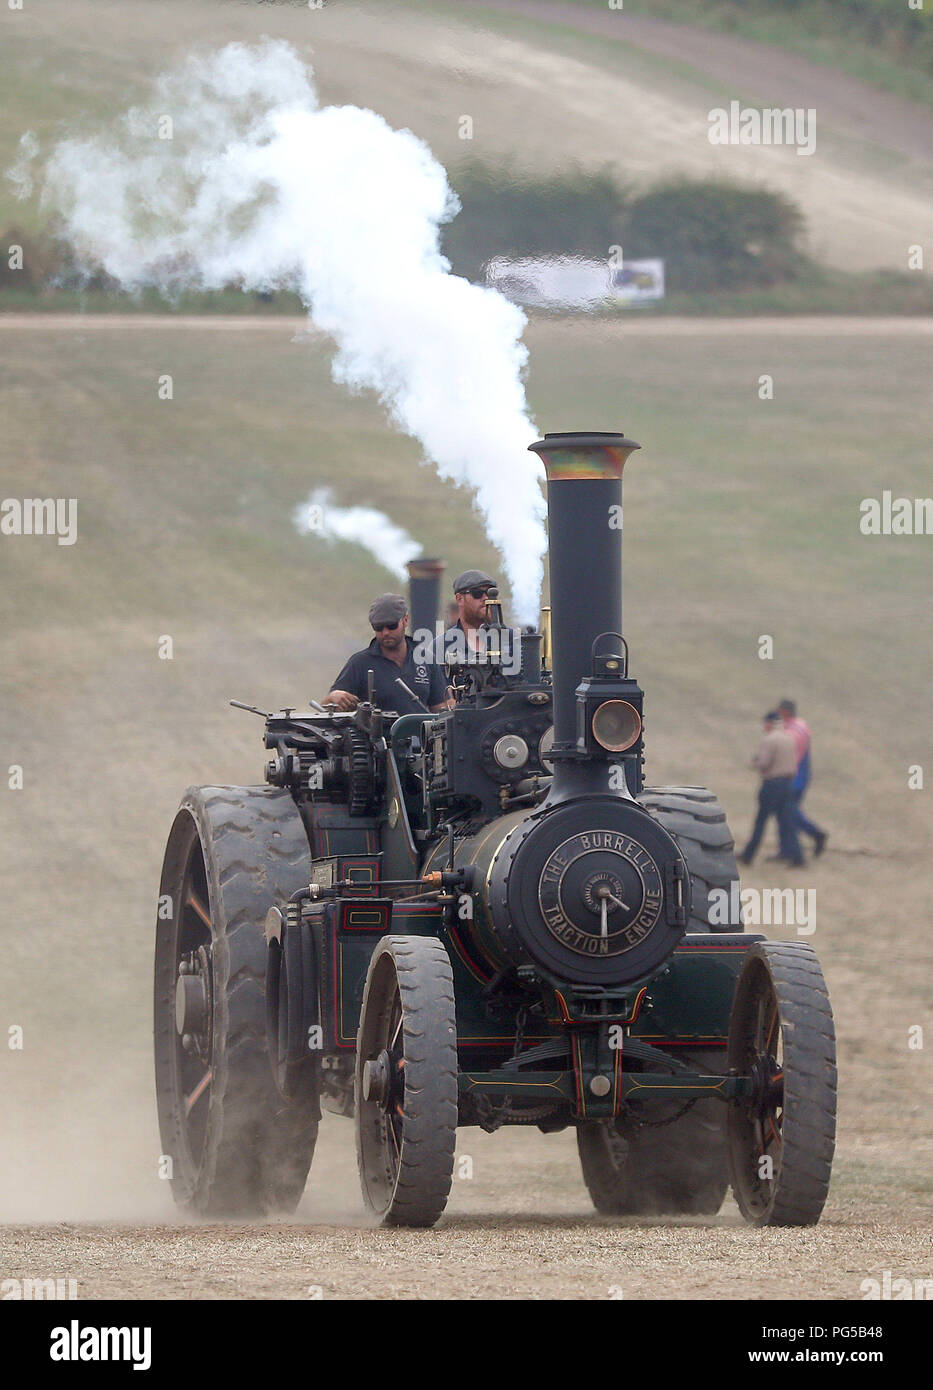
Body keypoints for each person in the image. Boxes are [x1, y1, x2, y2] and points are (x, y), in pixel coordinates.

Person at [325, 594, 450, 715]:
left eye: (391, 626)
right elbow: (327, 707)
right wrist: (333, 698)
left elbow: (441, 707)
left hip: (419, 734)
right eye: (379, 627)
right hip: (375, 736)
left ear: (405, 620)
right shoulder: (360, 663)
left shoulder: (426, 659)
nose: (385, 632)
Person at [739, 711, 804, 867]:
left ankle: (748, 855)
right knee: (788, 822)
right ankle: (798, 857)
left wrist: (754, 762)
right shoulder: (790, 738)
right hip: (787, 784)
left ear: (769, 723)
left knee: (761, 821)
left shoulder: (770, 740)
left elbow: (764, 763)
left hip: (772, 784)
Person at [779, 698, 828, 856]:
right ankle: (786, 850)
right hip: (802, 776)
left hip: (794, 779)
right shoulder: (801, 725)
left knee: (790, 813)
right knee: (786, 814)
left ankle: (816, 834)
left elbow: (790, 756)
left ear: (785, 711)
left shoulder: (791, 732)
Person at [437, 569, 497, 664]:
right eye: (477, 593)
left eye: (490, 593)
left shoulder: (513, 643)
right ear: (459, 599)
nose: (486, 598)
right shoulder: (439, 647)